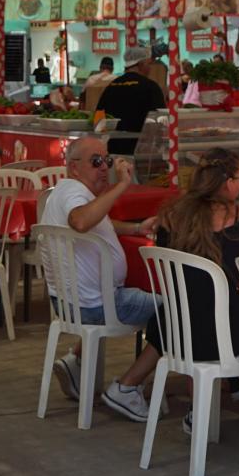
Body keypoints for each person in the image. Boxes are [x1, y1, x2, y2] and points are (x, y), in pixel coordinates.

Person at [146, 149, 239, 401]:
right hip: (226, 336)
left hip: (179, 331)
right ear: (228, 183)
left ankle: (211, 401)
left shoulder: (170, 215)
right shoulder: (237, 217)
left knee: (196, 304)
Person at [39, 136, 163, 422]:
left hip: (69, 304)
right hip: (98, 306)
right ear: (74, 168)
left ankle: (77, 360)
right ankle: (127, 387)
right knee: (178, 310)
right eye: (96, 161)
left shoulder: (65, 192)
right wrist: (121, 186)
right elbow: (81, 222)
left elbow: (95, 223)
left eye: (106, 161)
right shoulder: (74, 193)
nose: (104, 168)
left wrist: (135, 226)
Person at [94, 45, 167, 155]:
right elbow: (161, 120)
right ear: (141, 65)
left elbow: (98, 119)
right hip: (142, 151)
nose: (150, 68)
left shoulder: (111, 86)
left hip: (113, 149)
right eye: (148, 64)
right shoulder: (151, 87)